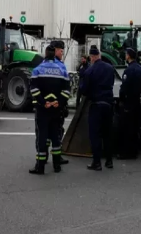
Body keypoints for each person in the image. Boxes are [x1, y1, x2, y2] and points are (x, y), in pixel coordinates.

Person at [29, 45, 71, 175]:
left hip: (43, 109)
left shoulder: (37, 70)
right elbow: (67, 90)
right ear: (54, 55)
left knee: (43, 137)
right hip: (56, 109)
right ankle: (57, 165)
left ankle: (40, 167)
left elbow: (34, 89)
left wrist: (43, 102)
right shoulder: (62, 70)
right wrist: (59, 102)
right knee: (55, 137)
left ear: (45, 54)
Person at [79, 45, 115, 171]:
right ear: (99, 55)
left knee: (95, 134)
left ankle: (97, 162)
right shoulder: (110, 68)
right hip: (109, 104)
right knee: (107, 133)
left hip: (96, 105)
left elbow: (84, 90)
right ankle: (109, 161)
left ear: (92, 57)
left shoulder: (90, 71)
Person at [117, 47, 141, 159]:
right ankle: (134, 151)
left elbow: (124, 87)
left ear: (128, 56)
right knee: (135, 128)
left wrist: (121, 99)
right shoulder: (140, 68)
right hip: (137, 101)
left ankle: (126, 153)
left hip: (128, 103)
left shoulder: (129, 70)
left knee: (126, 129)